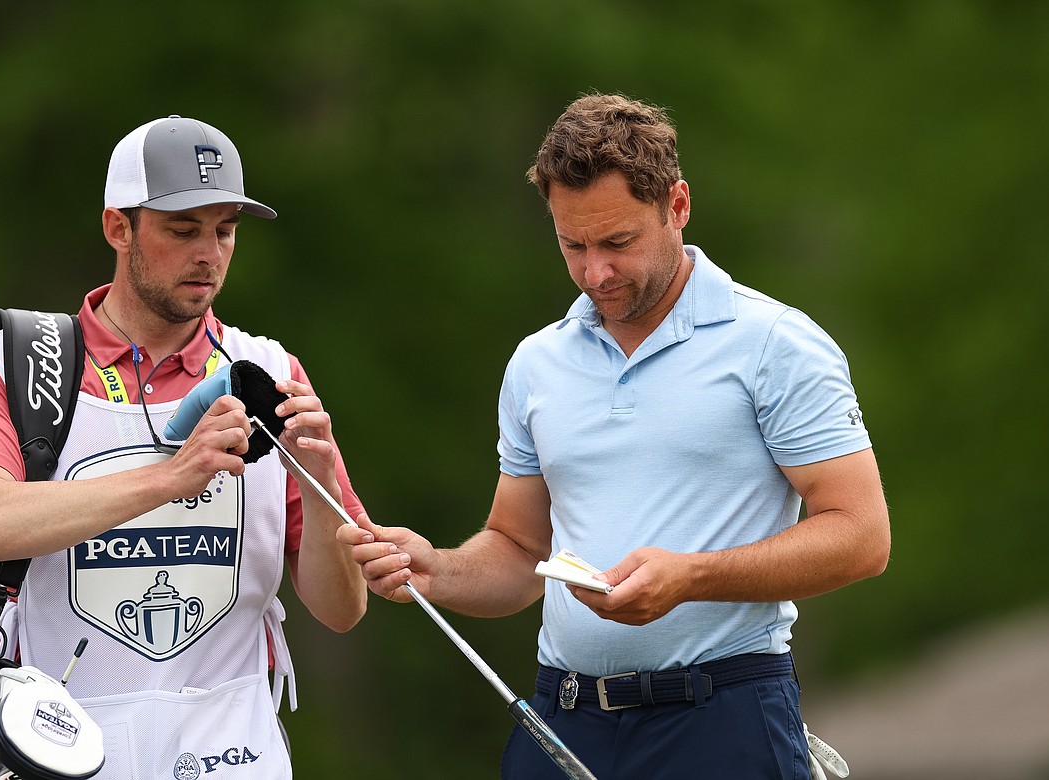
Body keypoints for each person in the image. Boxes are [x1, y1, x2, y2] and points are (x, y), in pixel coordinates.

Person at [337, 93, 891, 779]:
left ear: (677, 206)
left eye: (618, 243)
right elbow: (518, 547)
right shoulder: (538, 362)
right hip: (563, 718)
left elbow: (863, 537)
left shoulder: (775, 343)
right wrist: (440, 570)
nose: (595, 271)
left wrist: (690, 578)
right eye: (573, 245)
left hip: (725, 717)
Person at [0, 115, 367, 779]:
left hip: (233, 745)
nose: (210, 253)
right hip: (64, 741)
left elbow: (342, 610)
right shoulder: (26, 362)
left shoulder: (269, 371)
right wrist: (170, 479)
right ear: (118, 228)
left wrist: (321, 492)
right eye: (182, 230)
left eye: (225, 230)